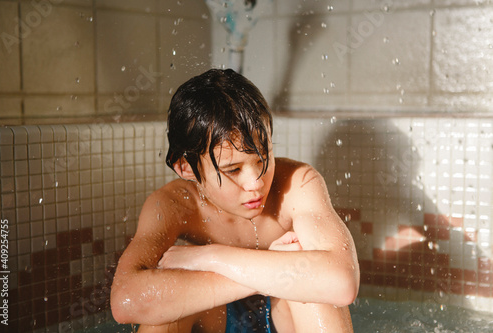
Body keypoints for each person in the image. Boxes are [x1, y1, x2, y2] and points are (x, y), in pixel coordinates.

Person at [110, 69, 359, 332]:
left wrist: (210, 257)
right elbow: (126, 300)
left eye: (263, 158)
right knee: (162, 316)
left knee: (317, 295)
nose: (257, 183)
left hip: (286, 319)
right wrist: (269, 273)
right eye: (233, 170)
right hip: (214, 317)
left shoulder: (298, 184)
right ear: (185, 167)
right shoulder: (175, 205)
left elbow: (342, 282)